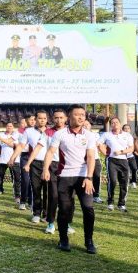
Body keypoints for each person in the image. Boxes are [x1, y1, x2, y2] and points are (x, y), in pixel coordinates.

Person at [42, 104, 98, 254]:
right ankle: (63, 240)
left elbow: (91, 156)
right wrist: (45, 169)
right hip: (64, 177)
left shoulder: (89, 135)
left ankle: (89, 241)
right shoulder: (60, 134)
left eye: (83, 114)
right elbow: (50, 152)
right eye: (77, 114)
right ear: (69, 116)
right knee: (65, 210)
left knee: (88, 209)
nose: (81, 117)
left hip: (83, 177)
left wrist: (89, 177)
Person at [98, 117, 135, 213]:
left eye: (116, 122)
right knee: (113, 182)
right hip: (112, 160)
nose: (115, 124)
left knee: (124, 182)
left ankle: (121, 204)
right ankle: (110, 202)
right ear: (111, 125)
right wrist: (105, 153)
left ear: (120, 123)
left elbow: (131, 148)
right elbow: (98, 143)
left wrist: (122, 152)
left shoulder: (127, 135)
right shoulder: (107, 134)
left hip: (124, 160)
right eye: (112, 123)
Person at [19, 110, 49, 223]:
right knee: (36, 189)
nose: (42, 120)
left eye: (44, 118)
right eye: (40, 118)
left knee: (47, 190)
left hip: (49, 164)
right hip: (35, 163)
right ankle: (36, 213)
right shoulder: (29, 131)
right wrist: (13, 157)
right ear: (35, 119)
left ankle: (46, 214)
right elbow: (21, 145)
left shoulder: (51, 131)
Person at [0, 122, 21, 197]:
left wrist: (2, 139)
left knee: (14, 177)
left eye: (11, 126)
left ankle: (15, 192)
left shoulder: (15, 135)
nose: (9, 127)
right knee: (0, 176)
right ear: (6, 127)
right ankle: (0, 189)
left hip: (13, 160)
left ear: (13, 127)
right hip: (3, 160)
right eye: (8, 126)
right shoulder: (1, 134)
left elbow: (12, 145)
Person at [122, 124, 138, 189]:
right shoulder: (120, 137)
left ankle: (133, 182)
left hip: (131, 156)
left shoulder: (132, 137)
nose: (126, 130)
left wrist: (136, 150)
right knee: (125, 171)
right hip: (123, 156)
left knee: (134, 168)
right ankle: (125, 182)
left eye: (128, 128)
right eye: (125, 128)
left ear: (130, 130)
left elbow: (135, 145)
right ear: (123, 129)